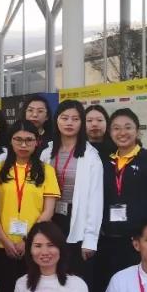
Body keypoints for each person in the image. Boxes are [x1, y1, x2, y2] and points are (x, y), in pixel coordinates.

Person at [95, 108, 147, 292]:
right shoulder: (104, 161)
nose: (122, 133)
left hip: (137, 242)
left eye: (128, 127)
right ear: (110, 132)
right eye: (116, 128)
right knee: (109, 288)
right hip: (107, 239)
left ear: (137, 131)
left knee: (137, 291)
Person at [0, 119, 60, 292]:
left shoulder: (46, 171)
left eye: (29, 140)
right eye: (18, 139)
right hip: (2, 244)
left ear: (37, 142)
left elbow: (48, 210)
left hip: (34, 245)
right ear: (10, 141)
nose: (23, 145)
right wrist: (4, 239)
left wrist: (27, 240)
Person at [40, 101, 103, 281]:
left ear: (82, 123)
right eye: (65, 118)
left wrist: (90, 239)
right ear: (56, 120)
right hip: (50, 217)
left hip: (75, 221)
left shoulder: (90, 156)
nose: (69, 123)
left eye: (75, 119)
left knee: (75, 276)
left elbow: (95, 200)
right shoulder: (47, 153)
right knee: (50, 273)